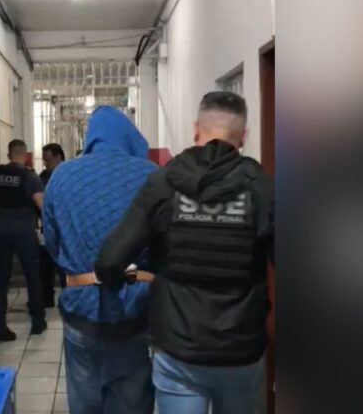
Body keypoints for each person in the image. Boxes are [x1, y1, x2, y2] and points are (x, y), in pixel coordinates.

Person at [95, 92, 275, 414]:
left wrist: (134, 278)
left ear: (196, 130)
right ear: (243, 136)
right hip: (241, 349)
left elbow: (109, 261)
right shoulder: (263, 188)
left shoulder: (163, 183)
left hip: (178, 348)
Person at [43, 107, 158, 414]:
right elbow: (164, 242)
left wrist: (80, 267)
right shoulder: (150, 174)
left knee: (85, 401)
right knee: (132, 400)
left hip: (82, 309)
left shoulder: (62, 175)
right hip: (135, 310)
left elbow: (52, 243)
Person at [0, 139, 46, 341]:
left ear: (8, 154)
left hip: (0, 232)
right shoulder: (30, 177)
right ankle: (37, 322)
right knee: (33, 277)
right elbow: (43, 206)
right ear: (25, 155)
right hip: (24, 233)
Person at [38, 143, 67, 307]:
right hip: (47, 227)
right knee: (45, 266)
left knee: (65, 267)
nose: (46, 164)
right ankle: (46, 298)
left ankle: (67, 296)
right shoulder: (43, 177)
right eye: (44, 161)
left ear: (58, 157)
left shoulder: (70, 174)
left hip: (66, 228)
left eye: (48, 161)